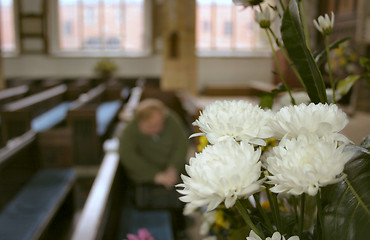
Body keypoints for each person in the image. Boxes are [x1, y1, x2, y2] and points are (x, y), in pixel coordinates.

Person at [119, 98, 188, 188]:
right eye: (150, 126)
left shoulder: (171, 120)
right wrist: (155, 175)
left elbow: (182, 144)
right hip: (144, 177)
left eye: (158, 125)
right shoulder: (130, 130)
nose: (155, 129)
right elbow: (127, 155)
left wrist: (173, 168)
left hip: (174, 171)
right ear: (139, 122)